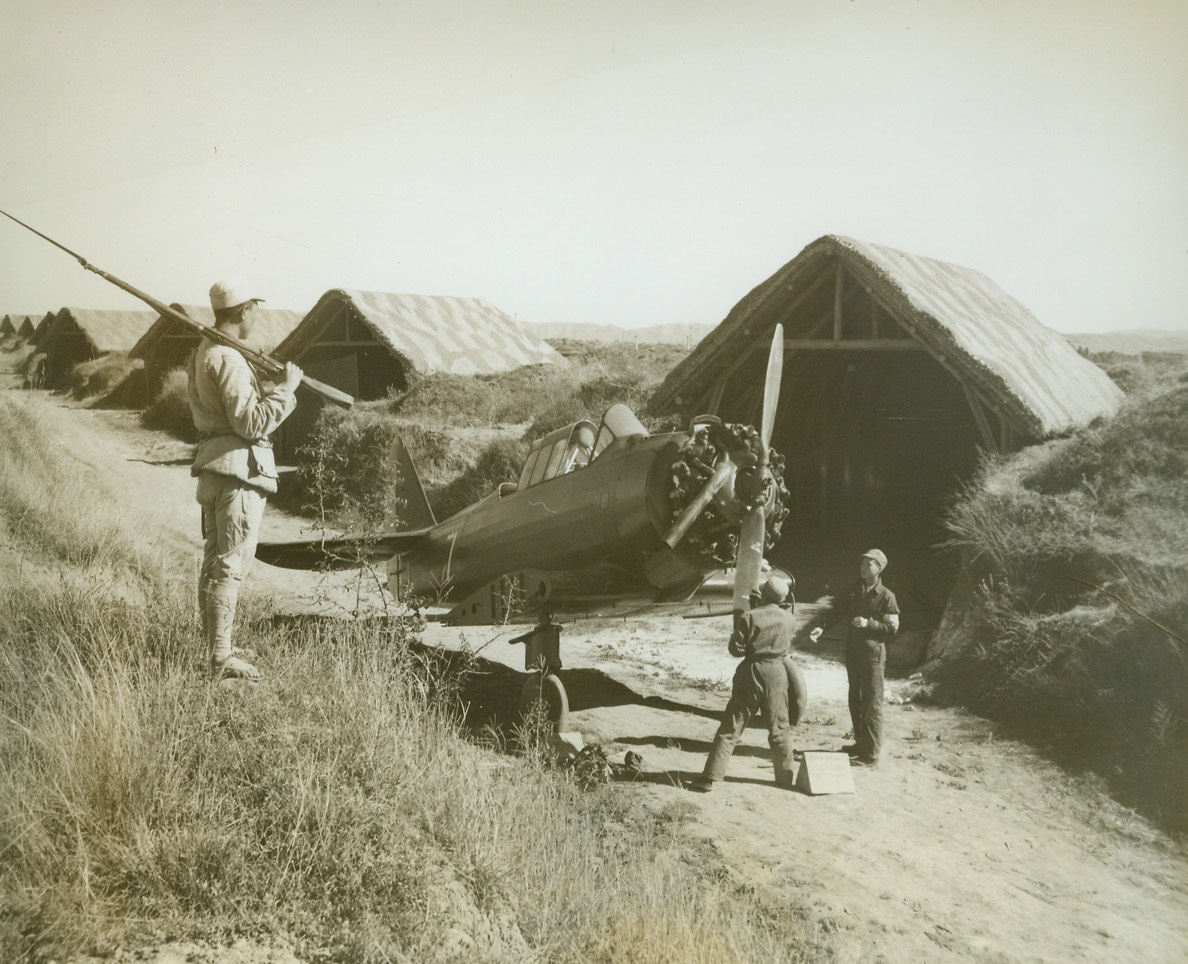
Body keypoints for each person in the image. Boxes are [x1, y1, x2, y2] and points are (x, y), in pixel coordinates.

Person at [188, 276, 303, 680]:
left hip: (217, 467)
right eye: (255, 307)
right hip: (238, 472)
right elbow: (251, 423)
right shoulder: (229, 358)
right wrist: (286, 390)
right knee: (229, 567)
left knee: (215, 563)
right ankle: (220, 659)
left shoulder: (206, 351)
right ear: (243, 312)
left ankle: (216, 647)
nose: (257, 314)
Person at [690, 574, 798, 792]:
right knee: (779, 727)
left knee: (732, 725)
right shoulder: (790, 619)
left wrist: (748, 613)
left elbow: (736, 650)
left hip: (752, 672)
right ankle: (785, 779)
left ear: (763, 592)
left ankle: (710, 777)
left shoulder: (750, 616)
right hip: (777, 673)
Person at [809, 549, 899, 767]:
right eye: (862, 563)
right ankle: (861, 744)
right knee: (856, 699)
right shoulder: (853, 590)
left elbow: (893, 627)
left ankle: (871, 755)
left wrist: (870, 624)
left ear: (879, 569)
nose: (863, 567)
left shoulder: (886, 596)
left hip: (873, 656)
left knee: (872, 702)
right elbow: (837, 611)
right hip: (854, 652)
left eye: (869, 564)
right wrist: (822, 628)